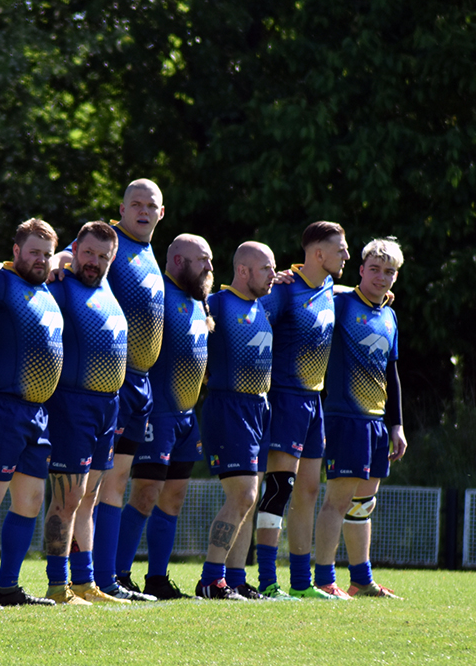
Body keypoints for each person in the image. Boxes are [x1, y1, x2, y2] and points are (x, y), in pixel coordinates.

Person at [0, 219, 63, 609]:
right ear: (16, 251)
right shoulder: (0, 281)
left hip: (38, 414)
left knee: (31, 502)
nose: (40, 260)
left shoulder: (48, 288)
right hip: (2, 408)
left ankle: (8, 588)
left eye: (47, 254)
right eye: (33, 252)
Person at [73, 180, 167, 600]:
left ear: (161, 213)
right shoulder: (110, 243)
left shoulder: (149, 253)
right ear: (123, 208)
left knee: (117, 483)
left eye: (150, 205)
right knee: (92, 486)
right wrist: (57, 261)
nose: (143, 211)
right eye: (136, 204)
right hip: (111, 379)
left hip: (142, 385)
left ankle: (108, 579)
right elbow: (71, 256)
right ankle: (83, 578)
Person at [113, 235, 213, 600]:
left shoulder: (199, 300)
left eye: (210, 261)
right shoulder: (159, 294)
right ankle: (118, 575)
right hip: (157, 413)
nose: (209, 267)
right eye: (202, 260)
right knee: (145, 494)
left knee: (173, 498)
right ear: (178, 260)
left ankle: (157, 579)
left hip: (187, 416)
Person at [253, 221, 349, 600]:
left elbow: (343, 292)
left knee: (308, 490)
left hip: (314, 402)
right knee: (280, 488)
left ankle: (300, 583)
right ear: (318, 253)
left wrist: (375, 293)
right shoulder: (283, 291)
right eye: (340, 249)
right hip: (285, 400)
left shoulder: (327, 287)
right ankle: (266, 581)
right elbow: (247, 314)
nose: (346, 255)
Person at [312, 238, 408, 598]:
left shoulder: (390, 315)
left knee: (363, 505)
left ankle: (361, 581)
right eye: (375, 269)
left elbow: (391, 374)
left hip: (376, 423)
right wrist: (335, 287)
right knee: (337, 502)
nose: (382, 277)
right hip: (344, 418)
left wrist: (396, 425)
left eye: (389, 272)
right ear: (361, 269)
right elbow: (312, 291)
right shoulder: (340, 304)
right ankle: (324, 580)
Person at [43, 221, 130, 605]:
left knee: (88, 498)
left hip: (107, 407)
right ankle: (57, 584)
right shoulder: (60, 286)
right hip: (72, 404)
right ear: (76, 249)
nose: (94, 262)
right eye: (88, 253)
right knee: (67, 497)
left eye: (103, 256)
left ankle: (84, 582)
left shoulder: (106, 286)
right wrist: (55, 263)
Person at [196, 241, 278, 601]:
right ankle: (211, 580)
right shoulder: (216, 303)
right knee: (243, 494)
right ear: (243, 271)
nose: (273, 275)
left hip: (260, 407)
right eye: (266, 268)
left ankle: (236, 579)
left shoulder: (263, 304)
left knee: (250, 498)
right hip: (229, 407)